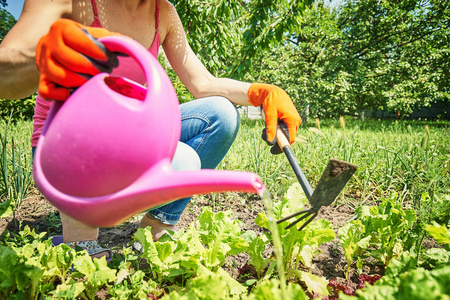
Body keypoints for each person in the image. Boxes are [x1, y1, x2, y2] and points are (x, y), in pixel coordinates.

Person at [0, 0, 302, 260]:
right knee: (85, 265)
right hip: (62, 144)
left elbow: (203, 84)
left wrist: (261, 93)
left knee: (221, 115)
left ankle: (156, 228)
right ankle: (80, 241)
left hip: (125, 139)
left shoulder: (163, 12)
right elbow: (6, 66)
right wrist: (43, 54)